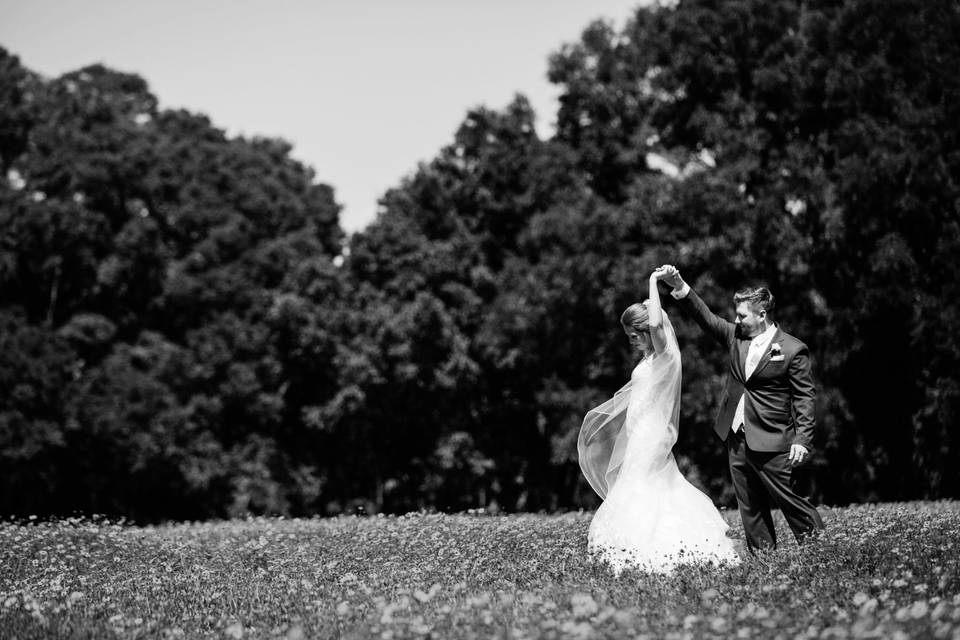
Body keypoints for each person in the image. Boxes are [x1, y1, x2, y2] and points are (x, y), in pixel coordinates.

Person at [578, 267, 740, 575]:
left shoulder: (666, 355)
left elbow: (655, 321)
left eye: (633, 336)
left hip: (651, 435)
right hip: (640, 432)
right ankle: (631, 547)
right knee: (647, 486)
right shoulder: (649, 360)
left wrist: (653, 282)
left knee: (641, 486)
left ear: (647, 330)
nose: (632, 342)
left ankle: (643, 549)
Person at [660, 265, 825, 551]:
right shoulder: (735, 337)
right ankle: (766, 564)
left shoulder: (792, 349)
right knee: (750, 509)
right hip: (736, 439)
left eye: (742, 315)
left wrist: (803, 440)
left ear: (762, 315)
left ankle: (823, 552)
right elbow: (707, 318)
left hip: (773, 439)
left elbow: (804, 397)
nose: (736, 319)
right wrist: (679, 284)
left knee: (792, 503)